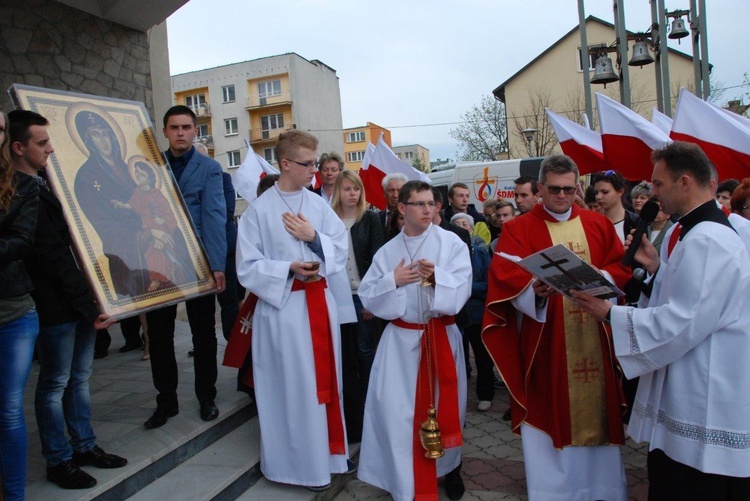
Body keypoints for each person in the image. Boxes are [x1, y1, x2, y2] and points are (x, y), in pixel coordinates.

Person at [571, 141, 750, 498]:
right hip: (694, 379)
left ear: (685, 182)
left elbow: (685, 320)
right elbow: (691, 296)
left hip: (705, 390)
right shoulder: (697, 232)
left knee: (691, 485)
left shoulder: (708, 240)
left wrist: (611, 314)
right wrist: (656, 269)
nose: (653, 192)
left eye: (658, 183)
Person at [482, 154, 631, 501]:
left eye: (568, 189)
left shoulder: (598, 224)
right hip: (547, 341)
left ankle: (603, 492)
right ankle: (554, 493)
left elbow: (618, 265)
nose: (562, 196)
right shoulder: (519, 229)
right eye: (554, 189)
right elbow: (504, 277)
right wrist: (532, 290)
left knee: (599, 412)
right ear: (540, 189)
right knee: (549, 413)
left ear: (577, 187)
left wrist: (601, 278)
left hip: (593, 334)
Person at [9, 110, 126, 490]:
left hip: (79, 295)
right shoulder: (18, 192)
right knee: (55, 382)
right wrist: (91, 304)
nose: (51, 149)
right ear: (18, 147)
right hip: (55, 302)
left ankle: (84, 445)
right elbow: (51, 256)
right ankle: (58, 459)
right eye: (42, 143)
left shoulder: (45, 182)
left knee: (79, 378)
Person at [236, 129, 353, 490]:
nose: (314, 171)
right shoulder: (258, 211)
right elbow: (247, 266)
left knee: (322, 384)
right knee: (290, 388)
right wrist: (286, 269)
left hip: (318, 305)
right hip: (282, 312)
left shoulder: (317, 205)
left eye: (315, 164)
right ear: (285, 163)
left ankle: (326, 458)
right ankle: (292, 466)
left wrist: (313, 238)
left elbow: (340, 247)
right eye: (307, 164)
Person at [358, 180, 472, 501]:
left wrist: (437, 277)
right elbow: (368, 296)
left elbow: (462, 287)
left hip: (439, 339)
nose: (427, 210)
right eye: (419, 204)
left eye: (431, 204)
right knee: (396, 414)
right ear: (402, 208)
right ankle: (403, 483)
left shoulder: (451, 244)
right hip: (400, 343)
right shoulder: (387, 251)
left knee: (442, 412)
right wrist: (392, 280)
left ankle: (447, 472)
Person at [143, 105, 227, 429]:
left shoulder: (209, 168)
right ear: (164, 131)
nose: (180, 132)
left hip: (197, 262)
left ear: (195, 131)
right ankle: (166, 401)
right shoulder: (150, 166)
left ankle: (207, 397)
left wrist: (217, 265)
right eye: (174, 127)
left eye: (186, 127)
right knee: (160, 334)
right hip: (159, 262)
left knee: (203, 333)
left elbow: (215, 217)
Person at [0, 106, 40, 501]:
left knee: (9, 410)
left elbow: (21, 241)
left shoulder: (22, 186)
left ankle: (14, 495)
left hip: (11, 311)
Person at [331, 170, 385, 443]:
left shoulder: (370, 218)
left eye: (356, 189)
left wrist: (370, 298)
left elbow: (377, 259)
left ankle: (370, 409)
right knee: (344, 354)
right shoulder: (329, 220)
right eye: (347, 188)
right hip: (337, 296)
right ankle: (349, 411)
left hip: (361, 293)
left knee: (365, 352)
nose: (352, 194)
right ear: (338, 191)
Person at [450, 213, 493, 413]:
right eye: (457, 224)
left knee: (481, 355)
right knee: (459, 356)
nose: (461, 227)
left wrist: (466, 287)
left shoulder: (481, 251)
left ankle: (485, 395)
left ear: (471, 227)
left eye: (464, 223)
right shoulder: (449, 250)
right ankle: (458, 396)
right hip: (456, 311)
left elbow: (488, 283)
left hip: (475, 312)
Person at [593, 170, 638, 245]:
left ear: (620, 191)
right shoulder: (594, 222)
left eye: (605, 192)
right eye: (596, 193)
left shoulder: (635, 222)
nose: (598, 197)